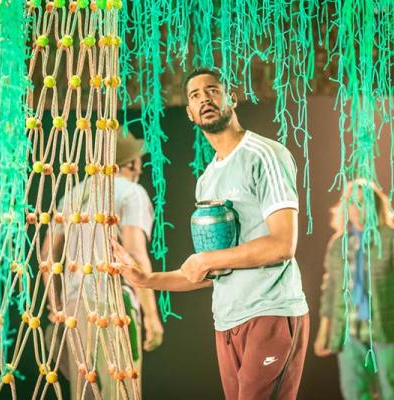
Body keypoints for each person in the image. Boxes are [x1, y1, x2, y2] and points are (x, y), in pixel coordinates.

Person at [112, 68, 309, 400]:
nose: (204, 97)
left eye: (212, 90)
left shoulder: (265, 155)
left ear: (231, 97)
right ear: (189, 114)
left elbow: (282, 245)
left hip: (271, 312)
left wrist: (206, 259)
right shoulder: (206, 181)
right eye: (194, 95)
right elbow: (210, 271)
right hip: (227, 322)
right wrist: (145, 280)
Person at [41, 130, 164, 399]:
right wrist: (152, 316)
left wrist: (57, 303)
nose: (139, 170)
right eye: (137, 163)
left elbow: (46, 256)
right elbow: (134, 254)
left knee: (83, 392)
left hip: (75, 312)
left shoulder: (72, 195)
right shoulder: (131, 192)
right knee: (120, 390)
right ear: (127, 164)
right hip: (113, 306)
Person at [314, 180, 394, 400]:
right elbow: (330, 290)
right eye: (352, 203)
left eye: (363, 202)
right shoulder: (338, 243)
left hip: (386, 330)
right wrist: (324, 332)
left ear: (375, 205)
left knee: (390, 389)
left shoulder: (389, 238)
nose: (358, 208)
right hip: (350, 332)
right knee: (355, 393)